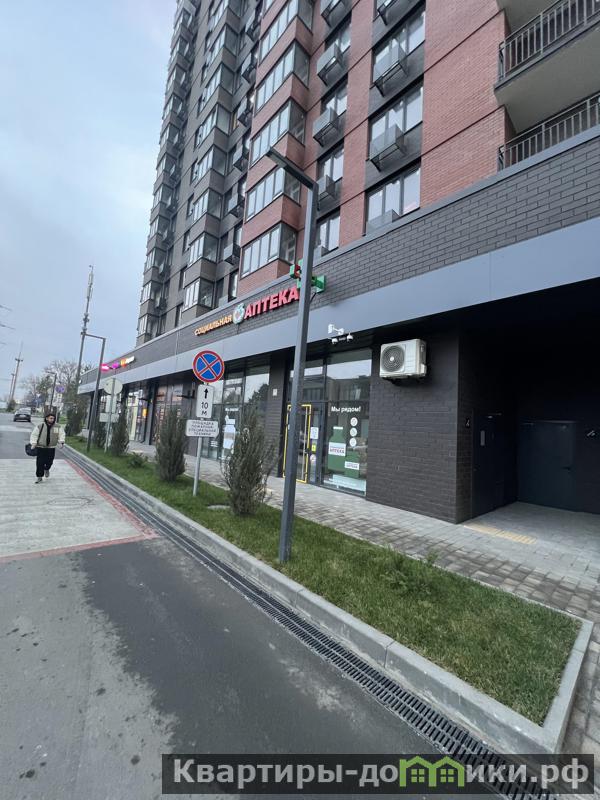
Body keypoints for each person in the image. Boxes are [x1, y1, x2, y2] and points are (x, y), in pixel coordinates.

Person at [30, 411, 65, 484]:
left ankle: (46, 469)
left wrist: (61, 442)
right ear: (46, 418)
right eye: (51, 418)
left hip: (51, 448)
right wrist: (33, 443)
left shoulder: (57, 426)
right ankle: (39, 477)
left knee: (49, 461)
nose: (52, 420)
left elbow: (62, 434)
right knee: (40, 463)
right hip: (41, 447)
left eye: (53, 418)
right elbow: (34, 435)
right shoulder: (40, 426)